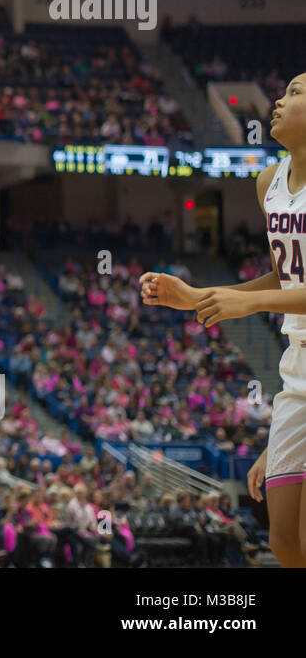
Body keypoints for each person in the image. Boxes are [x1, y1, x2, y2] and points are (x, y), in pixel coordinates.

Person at [143, 72, 306, 567]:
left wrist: (249, 305)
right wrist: (199, 296)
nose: (279, 100)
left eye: (297, 92)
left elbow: (270, 297)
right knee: (284, 542)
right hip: (298, 370)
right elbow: (286, 279)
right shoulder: (269, 182)